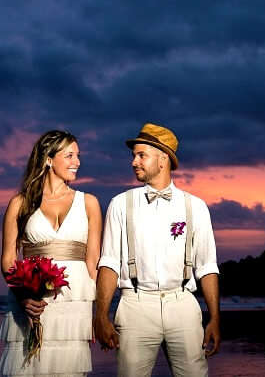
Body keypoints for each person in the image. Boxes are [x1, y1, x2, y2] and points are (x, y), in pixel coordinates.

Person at [94, 123, 221, 377]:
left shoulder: (195, 206)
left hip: (183, 303)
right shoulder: (121, 204)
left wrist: (215, 317)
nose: (134, 162)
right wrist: (101, 315)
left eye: (141, 155)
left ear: (163, 159)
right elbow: (108, 262)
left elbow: (206, 266)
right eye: (134, 156)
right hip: (135, 306)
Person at [0, 130, 102, 377]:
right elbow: (8, 259)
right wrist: (24, 297)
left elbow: (93, 263)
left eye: (78, 156)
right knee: (27, 367)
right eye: (69, 155)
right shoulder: (20, 203)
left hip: (74, 304)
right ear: (48, 158)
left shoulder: (89, 203)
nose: (77, 162)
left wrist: (96, 315)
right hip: (32, 303)